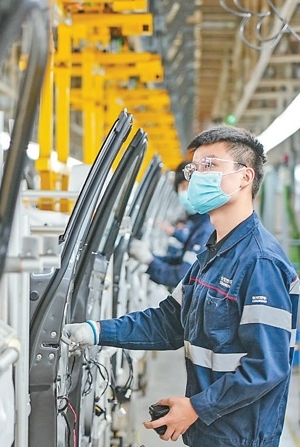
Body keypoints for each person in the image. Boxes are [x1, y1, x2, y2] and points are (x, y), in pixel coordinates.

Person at [63, 125, 299, 447]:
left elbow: (267, 366)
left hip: (241, 437)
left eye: (209, 165)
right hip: (211, 431)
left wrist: (196, 407)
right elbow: (168, 322)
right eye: (194, 168)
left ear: (245, 177)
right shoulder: (212, 255)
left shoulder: (260, 262)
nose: (197, 177)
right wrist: (95, 331)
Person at [129, 161, 214, 289]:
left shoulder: (206, 228)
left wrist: (149, 260)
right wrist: (151, 257)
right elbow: (181, 261)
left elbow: (182, 276)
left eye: (185, 187)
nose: (182, 193)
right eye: (180, 189)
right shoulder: (200, 223)